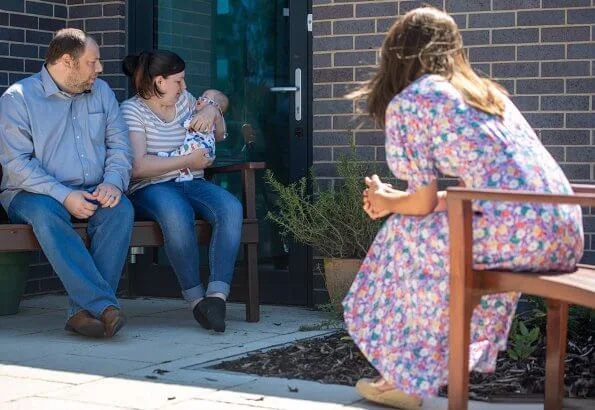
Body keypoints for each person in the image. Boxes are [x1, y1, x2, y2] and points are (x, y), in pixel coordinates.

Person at [343, 7, 584, 409]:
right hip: (562, 231)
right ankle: (410, 372)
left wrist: (390, 202)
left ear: (397, 53)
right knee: (426, 228)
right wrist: (393, 201)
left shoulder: (414, 100)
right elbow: (476, 194)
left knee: (404, 235)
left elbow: (420, 202)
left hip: (515, 229)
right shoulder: (487, 93)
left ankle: (405, 376)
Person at [0, 29, 133, 338]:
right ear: (66, 62)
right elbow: (17, 165)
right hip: (32, 192)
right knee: (48, 215)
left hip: (94, 188)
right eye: (93, 62)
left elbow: (119, 146)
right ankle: (104, 306)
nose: (100, 69)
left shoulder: (101, 92)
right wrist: (64, 195)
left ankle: (81, 313)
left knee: (120, 210)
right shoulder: (18, 99)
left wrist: (113, 182)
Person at [120, 50, 242, 333]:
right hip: (152, 187)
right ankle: (196, 300)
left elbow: (220, 99)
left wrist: (212, 108)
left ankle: (217, 297)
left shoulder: (185, 101)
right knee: (177, 214)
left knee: (231, 208)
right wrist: (187, 161)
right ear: (160, 82)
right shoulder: (132, 111)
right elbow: (138, 167)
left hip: (192, 183)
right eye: (179, 81)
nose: (185, 87)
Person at [157, 89, 229, 182]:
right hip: (201, 148)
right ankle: (185, 173)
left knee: (183, 152)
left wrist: (186, 123)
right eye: (200, 96)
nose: (199, 99)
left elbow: (219, 134)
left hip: (198, 148)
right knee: (184, 155)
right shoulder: (195, 110)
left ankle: (170, 157)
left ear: (214, 105)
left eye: (204, 99)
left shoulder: (208, 120)